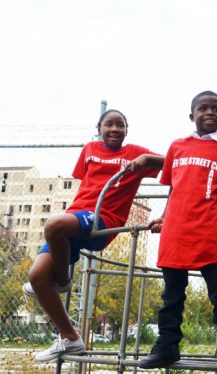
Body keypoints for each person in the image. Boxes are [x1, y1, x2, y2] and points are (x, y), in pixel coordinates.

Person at [23, 109, 164, 362]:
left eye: (120, 125)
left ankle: (63, 280)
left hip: (102, 218)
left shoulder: (134, 153)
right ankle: (70, 338)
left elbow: (175, 163)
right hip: (76, 218)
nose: (114, 129)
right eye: (108, 125)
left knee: (54, 224)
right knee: (36, 278)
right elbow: (85, 183)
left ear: (126, 130)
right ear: (99, 128)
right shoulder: (89, 149)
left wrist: (146, 159)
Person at [139, 91, 217, 373]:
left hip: (212, 229)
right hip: (177, 229)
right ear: (192, 115)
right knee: (172, 295)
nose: (209, 113)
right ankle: (167, 346)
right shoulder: (177, 147)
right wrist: (164, 217)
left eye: (216, 108)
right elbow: (173, 188)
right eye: (203, 108)